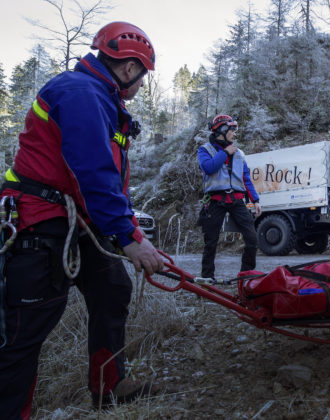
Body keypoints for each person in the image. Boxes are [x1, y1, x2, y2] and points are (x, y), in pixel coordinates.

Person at [0, 22, 164, 417]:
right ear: (128, 69)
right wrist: (127, 237)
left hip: (76, 221)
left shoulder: (99, 96)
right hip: (42, 223)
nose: (141, 86)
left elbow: (105, 183)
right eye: (142, 78)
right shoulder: (80, 93)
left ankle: (110, 385)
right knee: (25, 331)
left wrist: (133, 233)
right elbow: (93, 170)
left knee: (112, 288)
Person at [197, 114, 262, 281]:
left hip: (236, 200)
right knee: (210, 243)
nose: (235, 134)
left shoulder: (239, 153)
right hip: (214, 201)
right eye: (232, 130)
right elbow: (208, 168)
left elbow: (246, 177)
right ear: (222, 130)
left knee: (252, 238)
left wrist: (255, 200)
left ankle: (245, 277)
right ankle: (207, 278)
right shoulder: (205, 150)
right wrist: (225, 153)